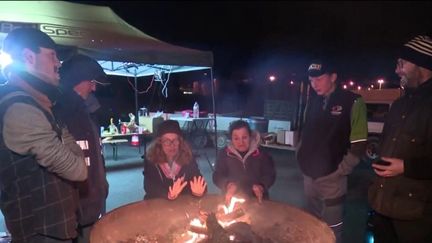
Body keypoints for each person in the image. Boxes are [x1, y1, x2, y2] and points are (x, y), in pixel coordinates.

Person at [0, 28, 88, 242]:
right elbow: (78, 170)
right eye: (52, 56)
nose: (58, 63)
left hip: (53, 231)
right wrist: (71, 152)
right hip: (40, 234)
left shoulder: (42, 103)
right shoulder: (20, 108)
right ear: (29, 57)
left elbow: (72, 147)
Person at [368, 35, 432, 243]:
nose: (397, 70)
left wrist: (406, 166)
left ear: (421, 64)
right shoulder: (399, 104)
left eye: (402, 63)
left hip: (415, 217)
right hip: (382, 207)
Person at [296, 58, 367, 243]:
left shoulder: (353, 101)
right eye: (311, 80)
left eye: (319, 79)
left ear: (333, 77)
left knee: (332, 231)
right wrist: (300, 155)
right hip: (309, 177)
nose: (314, 84)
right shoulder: (312, 102)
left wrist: (341, 170)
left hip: (333, 178)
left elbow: (359, 143)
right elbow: (305, 133)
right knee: (310, 224)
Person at [57, 54, 110, 243]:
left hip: (92, 202)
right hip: (73, 209)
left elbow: (94, 154)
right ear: (77, 80)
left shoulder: (88, 112)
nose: (94, 87)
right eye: (91, 82)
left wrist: (102, 185)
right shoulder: (60, 113)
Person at [212, 120, 276, 203]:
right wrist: (228, 184)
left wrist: (261, 186)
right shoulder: (224, 154)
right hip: (231, 199)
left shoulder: (262, 154)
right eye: (236, 138)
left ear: (250, 136)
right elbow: (217, 176)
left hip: (257, 199)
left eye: (244, 137)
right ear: (231, 139)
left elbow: (270, 174)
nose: (241, 142)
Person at [143, 120, 207, 200]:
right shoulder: (151, 158)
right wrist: (168, 194)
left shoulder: (187, 157)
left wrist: (198, 192)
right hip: (158, 202)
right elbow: (149, 186)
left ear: (180, 142)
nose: (172, 145)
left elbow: (199, 181)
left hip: (182, 203)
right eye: (167, 141)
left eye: (175, 140)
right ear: (159, 143)